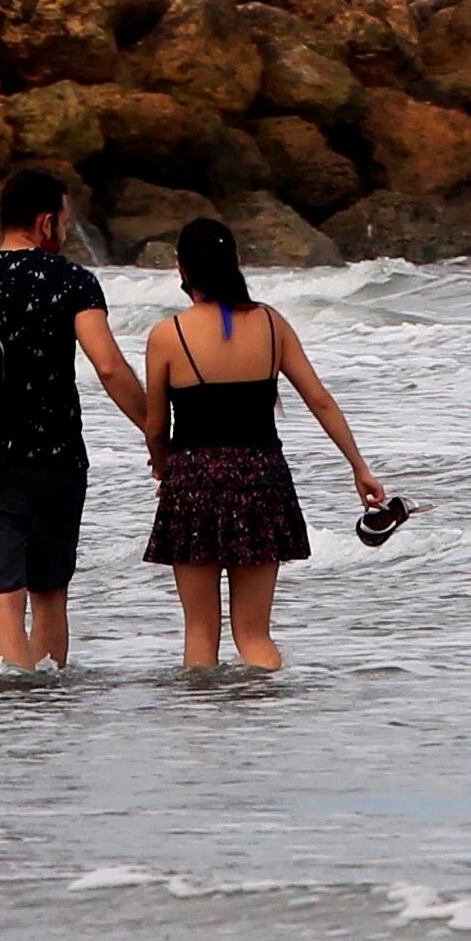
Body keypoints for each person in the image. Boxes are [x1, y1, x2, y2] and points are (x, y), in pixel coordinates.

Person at [0, 167, 153, 669]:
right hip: (57, 460)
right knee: (50, 594)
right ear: (46, 222)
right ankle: (47, 711)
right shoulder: (73, 281)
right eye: (65, 222)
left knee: (4, 601)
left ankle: (14, 709)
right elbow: (110, 367)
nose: (67, 232)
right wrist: (157, 434)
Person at [139, 214, 389, 670]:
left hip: (194, 479)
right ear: (237, 261)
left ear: (181, 269)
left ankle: (203, 730)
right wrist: (359, 467)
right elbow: (320, 400)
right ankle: (269, 730)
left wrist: (164, 468)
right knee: (254, 633)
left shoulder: (167, 336)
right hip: (261, 476)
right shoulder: (272, 325)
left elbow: (156, 426)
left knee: (199, 630)